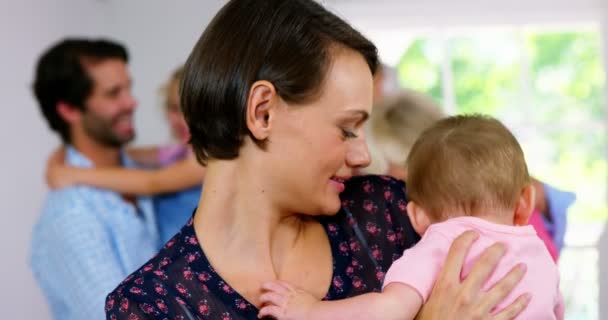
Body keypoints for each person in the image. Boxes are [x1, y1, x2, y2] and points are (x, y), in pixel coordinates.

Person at [105, 1, 530, 319]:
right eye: (347, 128)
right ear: (262, 112)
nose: (363, 155)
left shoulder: (393, 214)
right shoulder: (150, 305)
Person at [260, 115, 564, 319]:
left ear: (417, 216)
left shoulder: (442, 242)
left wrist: (311, 311)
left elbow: (388, 310)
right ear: (526, 202)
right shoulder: (538, 254)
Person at [30, 38, 161, 320]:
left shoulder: (140, 172)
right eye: (114, 93)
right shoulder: (71, 215)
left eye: (129, 87)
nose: (132, 102)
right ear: (69, 110)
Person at [45, 65, 205, 243]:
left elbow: (153, 182)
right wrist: (64, 153)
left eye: (194, 110)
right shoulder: (175, 153)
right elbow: (124, 153)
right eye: (175, 109)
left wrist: (75, 174)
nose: (183, 119)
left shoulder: (208, 159)